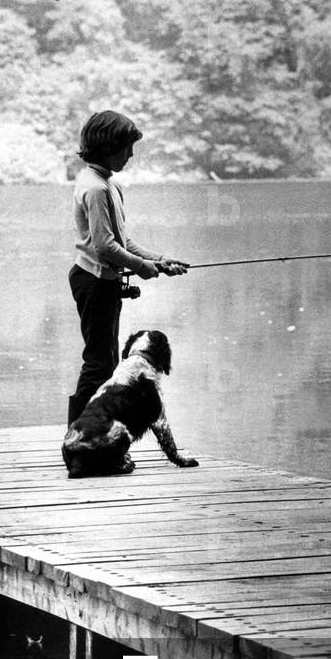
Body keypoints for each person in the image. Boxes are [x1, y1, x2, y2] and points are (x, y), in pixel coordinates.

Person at [67, 110, 190, 425]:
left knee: (107, 361)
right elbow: (104, 247)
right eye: (126, 148)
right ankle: (78, 432)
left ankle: (88, 429)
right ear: (108, 147)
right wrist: (143, 267)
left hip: (103, 282)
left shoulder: (108, 184)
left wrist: (158, 260)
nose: (131, 155)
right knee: (98, 363)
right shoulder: (95, 188)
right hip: (93, 282)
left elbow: (122, 241)